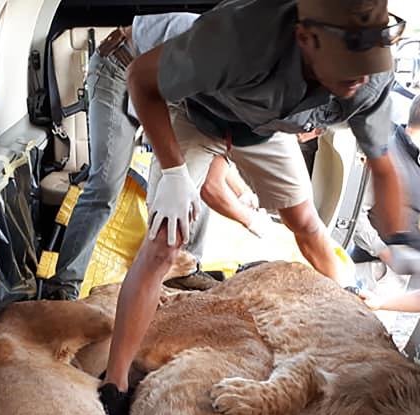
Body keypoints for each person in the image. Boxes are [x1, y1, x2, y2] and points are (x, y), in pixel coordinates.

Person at [99, 0, 420, 415]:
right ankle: (113, 388)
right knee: (164, 244)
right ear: (307, 37)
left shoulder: (368, 80)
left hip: (262, 128)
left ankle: (350, 314)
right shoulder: (238, 38)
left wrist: (403, 239)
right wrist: (173, 173)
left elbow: (384, 166)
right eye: (350, 70)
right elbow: (141, 80)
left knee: (307, 223)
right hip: (196, 111)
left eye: (368, 68)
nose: (361, 80)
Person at [43, 13, 270, 299]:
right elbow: (213, 185)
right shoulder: (221, 52)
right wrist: (249, 219)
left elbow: (210, 149)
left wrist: (242, 190)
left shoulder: (248, 77)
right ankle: (64, 283)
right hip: (120, 68)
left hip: (167, 89)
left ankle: (183, 269)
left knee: (191, 174)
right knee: (105, 185)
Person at [352, 88, 420, 311]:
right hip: (379, 272)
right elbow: (356, 215)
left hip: (397, 273)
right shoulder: (387, 156)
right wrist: (384, 252)